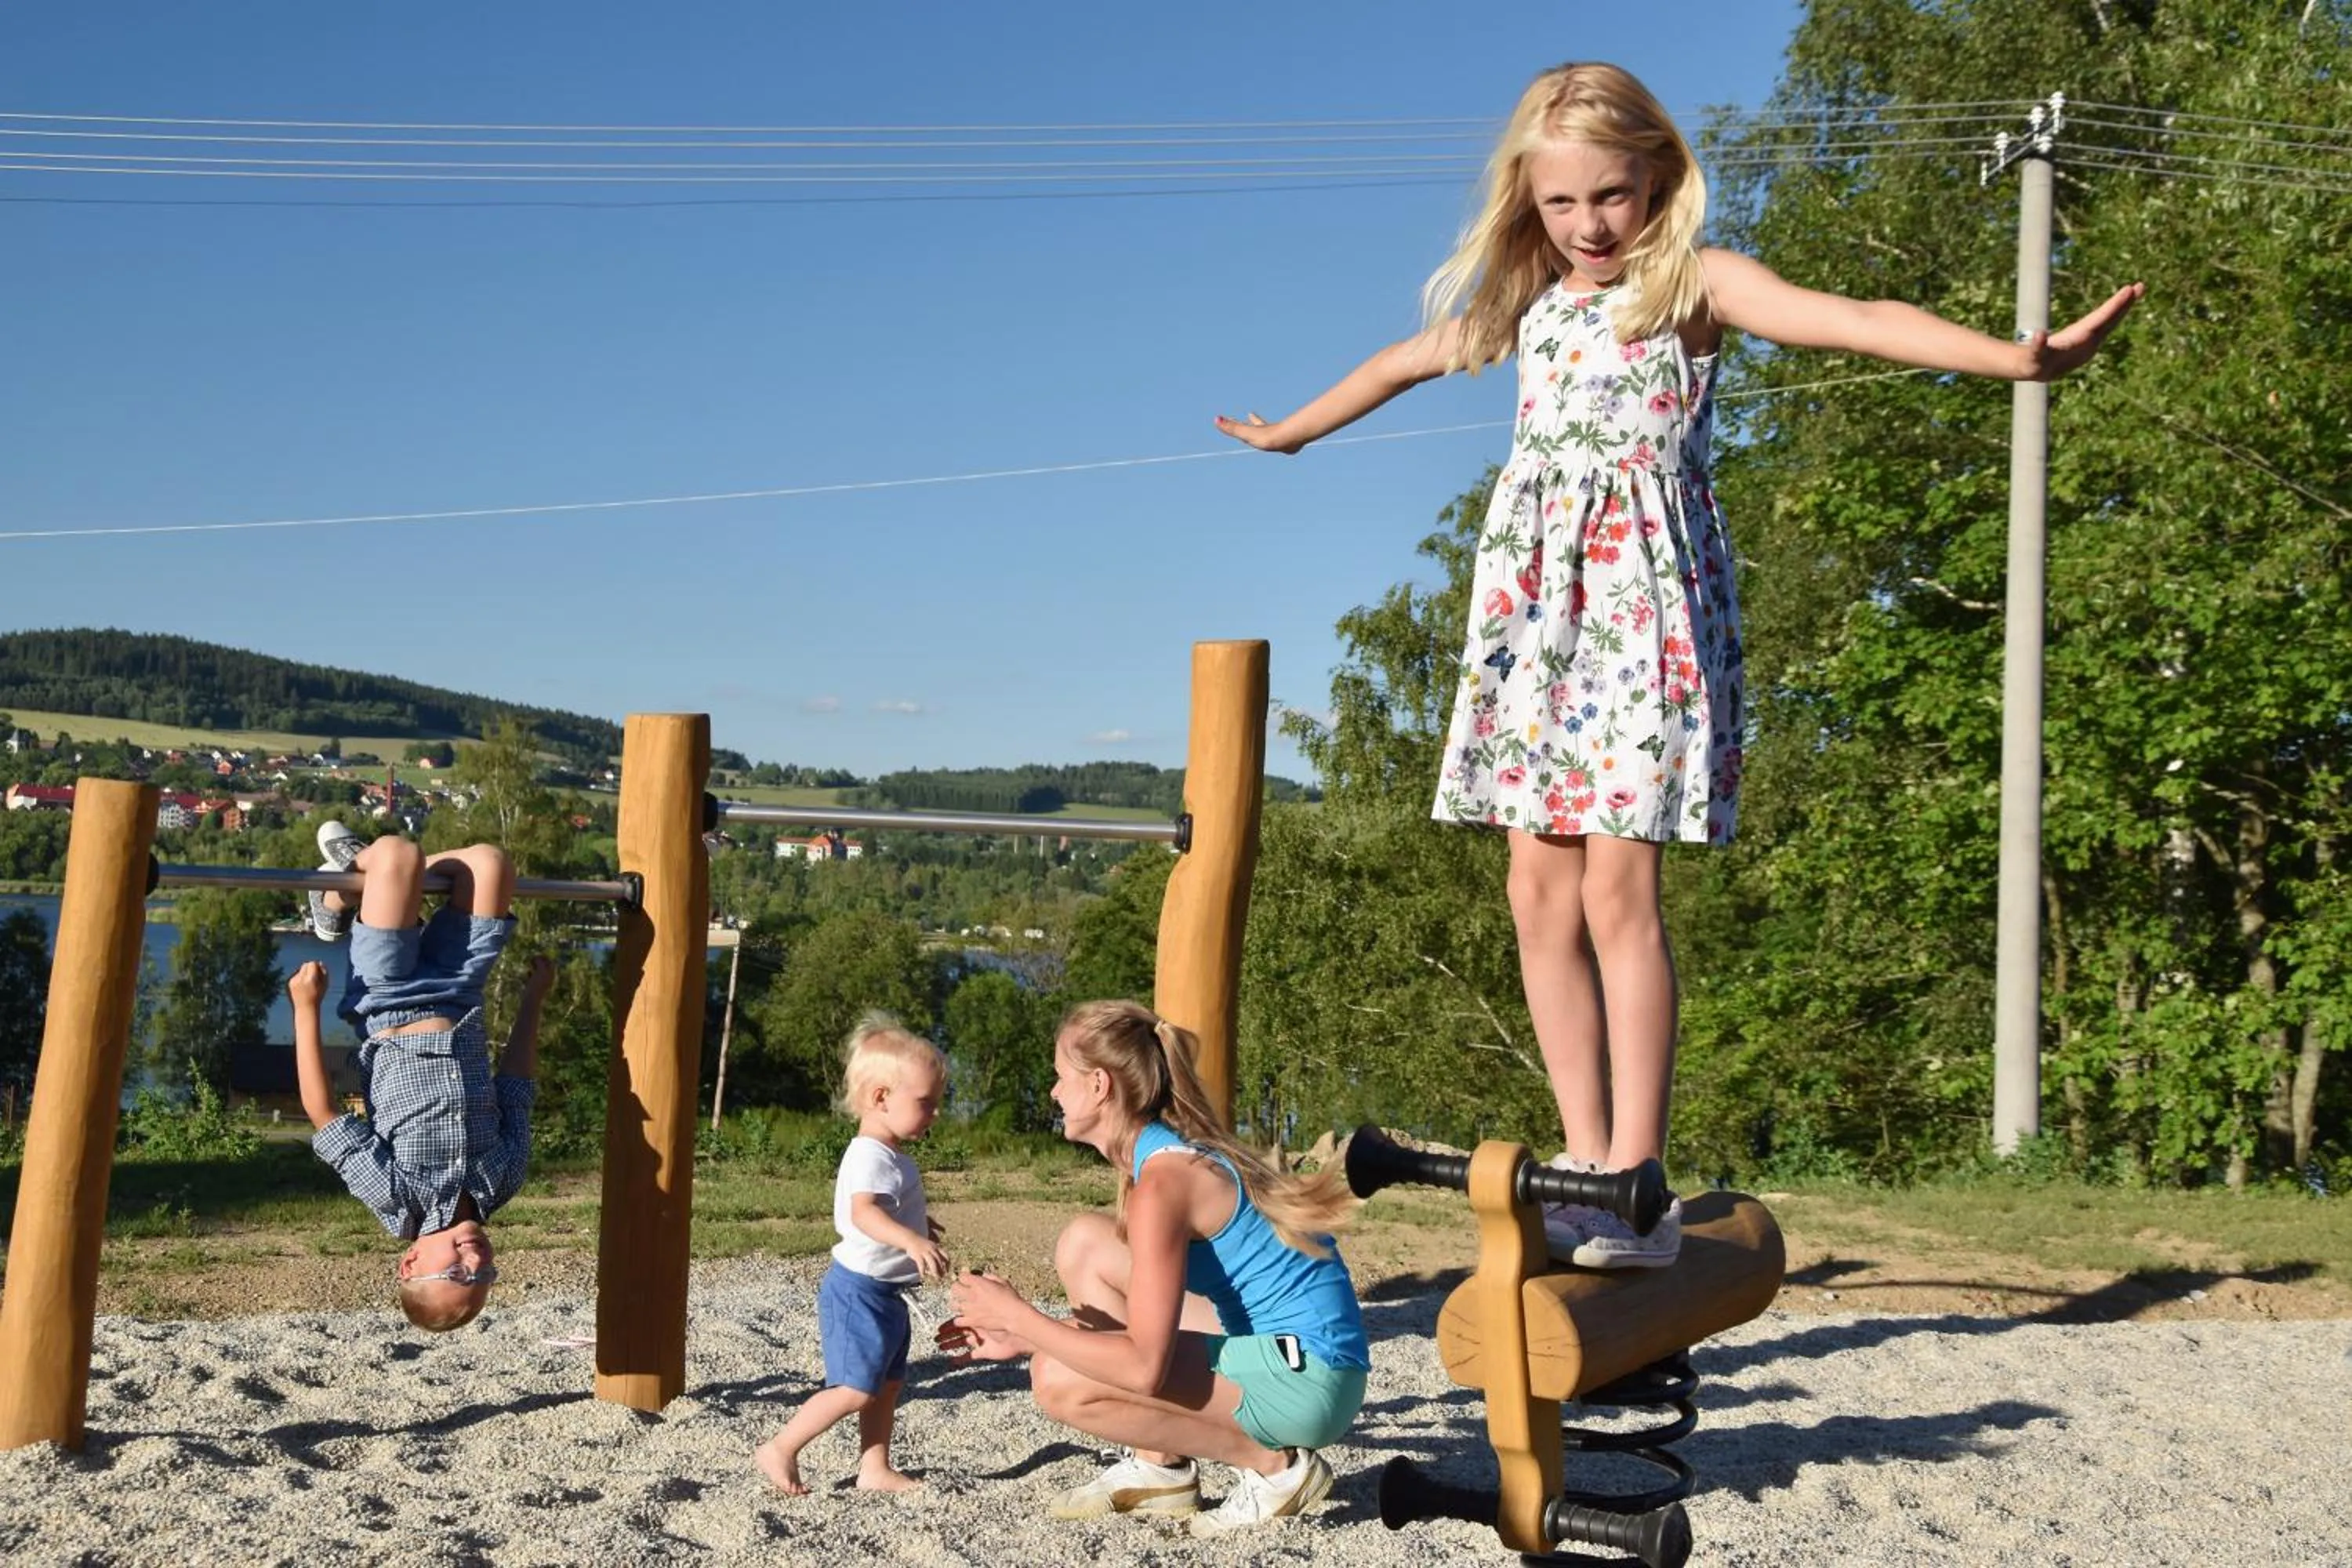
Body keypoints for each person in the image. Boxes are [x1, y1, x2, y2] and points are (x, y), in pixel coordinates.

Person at [1214, 60, 2143, 1269]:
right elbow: (1400, 361)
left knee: (1617, 894)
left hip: (1641, 617)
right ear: (1527, 206)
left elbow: (1856, 320)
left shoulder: (1697, 285)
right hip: (1537, 623)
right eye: (1563, 205)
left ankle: (1635, 1181)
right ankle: (1582, 1158)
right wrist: (1290, 433)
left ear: (1660, 176)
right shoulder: (1526, 306)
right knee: (1534, 894)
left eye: (1614, 195)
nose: (1591, 226)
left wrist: (2018, 361)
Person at [938, 1000, 1368, 1539]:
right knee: (1086, 1246)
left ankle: (1273, 1467)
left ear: (1099, 1085)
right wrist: (1025, 1332)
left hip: (1312, 1379)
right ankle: (1160, 1465)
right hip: (1297, 1353)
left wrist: (1024, 1323)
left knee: (1058, 1379)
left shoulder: (1163, 1185)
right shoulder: (1166, 1156)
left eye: (1059, 1077)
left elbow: (1144, 1367)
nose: (1052, 1092)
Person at [287, 821, 550, 1330]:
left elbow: (325, 1116)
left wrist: (305, 1008)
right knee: (491, 865)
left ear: (409, 1264)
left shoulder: (396, 1198)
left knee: (398, 856)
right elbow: (516, 1087)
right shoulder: (504, 1178)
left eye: (455, 1273)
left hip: (387, 1000)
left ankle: (336, 897)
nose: (475, 1262)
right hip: (461, 990)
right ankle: (356, 880)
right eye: (484, 1275)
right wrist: (532, 1001)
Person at [756, 1015, 950, 1496]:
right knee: (856, 1388)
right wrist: (910, 1241)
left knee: (887, 1386)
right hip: (858, 1292)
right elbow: (864, 1213)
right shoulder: (871, 1155)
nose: (936, 1113)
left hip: (888, 1293)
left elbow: (885, 1208)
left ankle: (874, 1468)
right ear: (881, 1097)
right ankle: (780, 1447)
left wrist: (917, 1226)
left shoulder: (891, 1154)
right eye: (926, 1103)